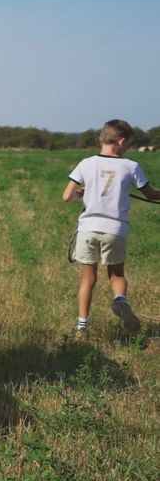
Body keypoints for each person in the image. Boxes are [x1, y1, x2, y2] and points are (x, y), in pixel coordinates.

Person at [63, 119, 160, 337]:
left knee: (88, 278)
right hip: (115, 229)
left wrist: (81, 192)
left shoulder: (86, 163)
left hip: (88, 228)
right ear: (122, 141)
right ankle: (120, 300)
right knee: (116, 275)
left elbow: (67, 196)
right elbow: (152, 194)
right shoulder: (130, 166)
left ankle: (81, 327)